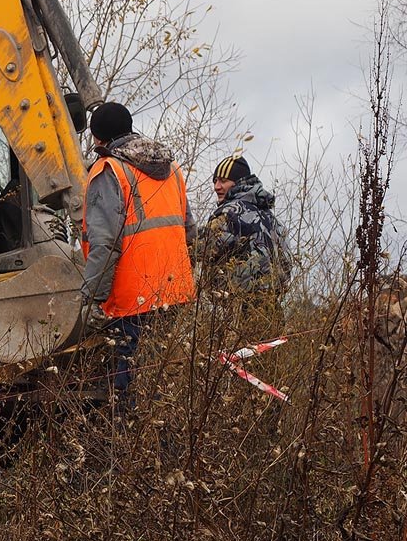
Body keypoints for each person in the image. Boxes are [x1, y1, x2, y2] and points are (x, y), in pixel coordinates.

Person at [80, 102, 196, 400]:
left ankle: (130, 444)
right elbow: (189, 232)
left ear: (98, 138)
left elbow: (104, 243)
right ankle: (166, 443)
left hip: (133, 299)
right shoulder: (172, 170)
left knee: (130, 389)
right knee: (164, 380)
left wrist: (92, 297)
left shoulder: (109, 171)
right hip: (174, 292)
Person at [199, 155, 290, 330]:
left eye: (223, 181)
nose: (217, 186)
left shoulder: (229, 213)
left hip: (240, 309)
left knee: (239, 357)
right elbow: (287, 262)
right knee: (268, 354)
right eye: (215, 180)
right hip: (273, 306)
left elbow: (201, 251)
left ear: (238, 182)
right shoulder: (269, 216)